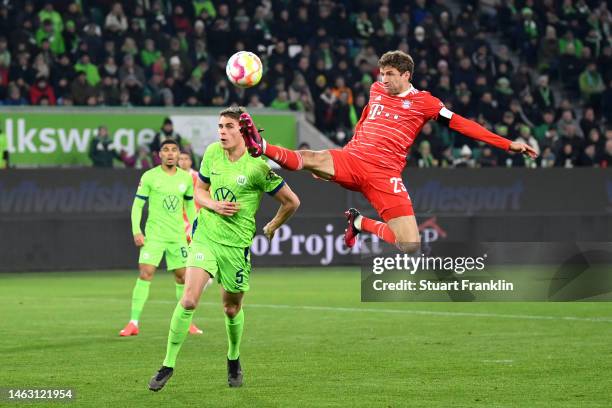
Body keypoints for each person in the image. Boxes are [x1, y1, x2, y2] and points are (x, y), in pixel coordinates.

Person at [240, 50, 537, 252]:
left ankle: (359, 222)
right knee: (313, 158)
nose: (384, 79)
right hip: (355, 159)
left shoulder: (426, 103)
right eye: (382, 73)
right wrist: (346, 152)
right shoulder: (376, 90)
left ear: (406, 75)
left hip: (385, 174)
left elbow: (462, 125)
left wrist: (506, 143)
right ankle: (261, 146)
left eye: (390, 74)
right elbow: (366, 117)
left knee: (410, 245)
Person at [148, 106, 300, 390]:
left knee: (231, 309)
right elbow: (199, 192)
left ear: (243, 132)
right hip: (206, 236)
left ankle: (233, 357)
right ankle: (167, 364)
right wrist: (214, 205)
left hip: (236, 246)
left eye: (229, 126)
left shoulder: (258, 166)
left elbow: (291, 201)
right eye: (220, 126)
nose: (222, 132)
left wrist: (272, 225)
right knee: (190, 300)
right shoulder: (211, 153)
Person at [120, 139, 203, 337]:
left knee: (182, 277)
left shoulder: (185, 179)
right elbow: (137, 205)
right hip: (155, 236)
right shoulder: (149, 176)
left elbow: (190, 207)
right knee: (145, 273)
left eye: (174, 150)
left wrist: (195, 230)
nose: (170, 154)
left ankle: (187, 322)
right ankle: (133, 322)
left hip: (177, 236)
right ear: (160, 154)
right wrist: (136, 230)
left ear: (178, 154)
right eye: (166, 150)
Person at [178, 151, 201, 240]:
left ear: (190, 161)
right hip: (179, 218)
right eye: (181, 159)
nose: (183, 161)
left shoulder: (198, 177)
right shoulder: (173, 178)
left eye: (186, 159)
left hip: (195, 217)